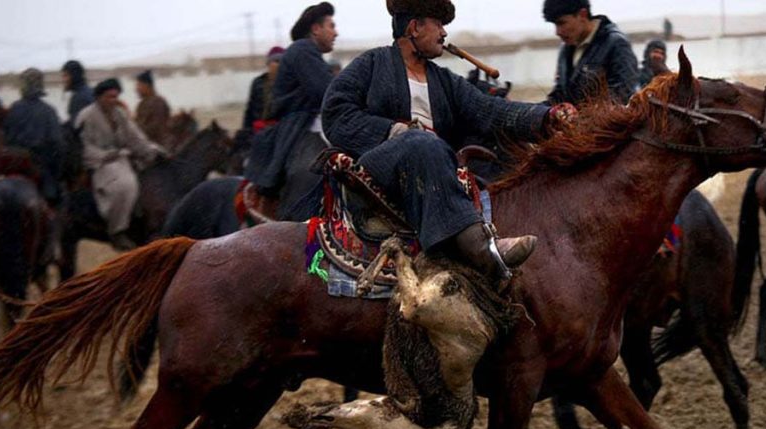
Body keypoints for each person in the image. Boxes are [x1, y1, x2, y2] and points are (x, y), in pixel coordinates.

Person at [323, 0, 572, 282]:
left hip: (434, 169)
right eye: (438, 24)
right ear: (415, 28)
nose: (444, 33)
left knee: (498, 153)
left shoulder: (443, 80)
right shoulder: (371, 64)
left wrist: (546, 117)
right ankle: (480, 248)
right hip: (382, 167)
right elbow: (335, 113)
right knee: (421, 143)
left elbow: (490, 111)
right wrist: (394, 131)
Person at [245, 2, 337, 219]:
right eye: (331, 26)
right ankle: (297, 228)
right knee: (310, 173)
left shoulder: (308, 52)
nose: (336, 32)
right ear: (316, 29)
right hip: (298, 129)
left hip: (306, 124)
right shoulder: (302, 49)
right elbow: (327, 91)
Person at [75, 78, 164, 251]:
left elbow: (135, 137)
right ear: (99, 97)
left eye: (115, 97)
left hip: (123, 159)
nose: (113, 100)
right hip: (100, 163)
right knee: (125, 185)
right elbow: (83, 146)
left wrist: (153, 149)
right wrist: (106, 156)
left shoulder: (119, 113)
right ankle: (117, 231)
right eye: (109, 97)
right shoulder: (86, 116)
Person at [543, 0, 638, 104]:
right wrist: (536, 113)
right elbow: (560, 95)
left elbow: (623, 94)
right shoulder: (566, 49)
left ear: (582, 14)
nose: (558, 32)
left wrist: (582, 117)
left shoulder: (616, 44)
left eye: (562, 23)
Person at [4, 68, 65, 205]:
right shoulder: (49, 111)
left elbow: (6, 140)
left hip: (16, 168)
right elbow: (58, 144)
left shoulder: (13, 109)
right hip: (42, 170)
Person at [241, 46, 285, 135]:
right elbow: (250, 109)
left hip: (280, 130)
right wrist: (246, 130)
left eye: (282, 62)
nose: (279, 65)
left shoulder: (288, 83)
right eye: (276, 61)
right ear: (268, 63)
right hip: (259, 129)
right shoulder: (258, 82)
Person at [134, 70, 172, 147]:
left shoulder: (158, 102)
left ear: (147, 86)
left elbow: (155, 127)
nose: (136, 89)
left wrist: (135, 133)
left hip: (158, 146)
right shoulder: (143, 103)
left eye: (139, 85)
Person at [61, 60, 94, 127]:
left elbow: (76, 127)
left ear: (74, 76)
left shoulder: (79, 98)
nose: (63, 80)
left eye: (66, 76)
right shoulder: (90, 91)